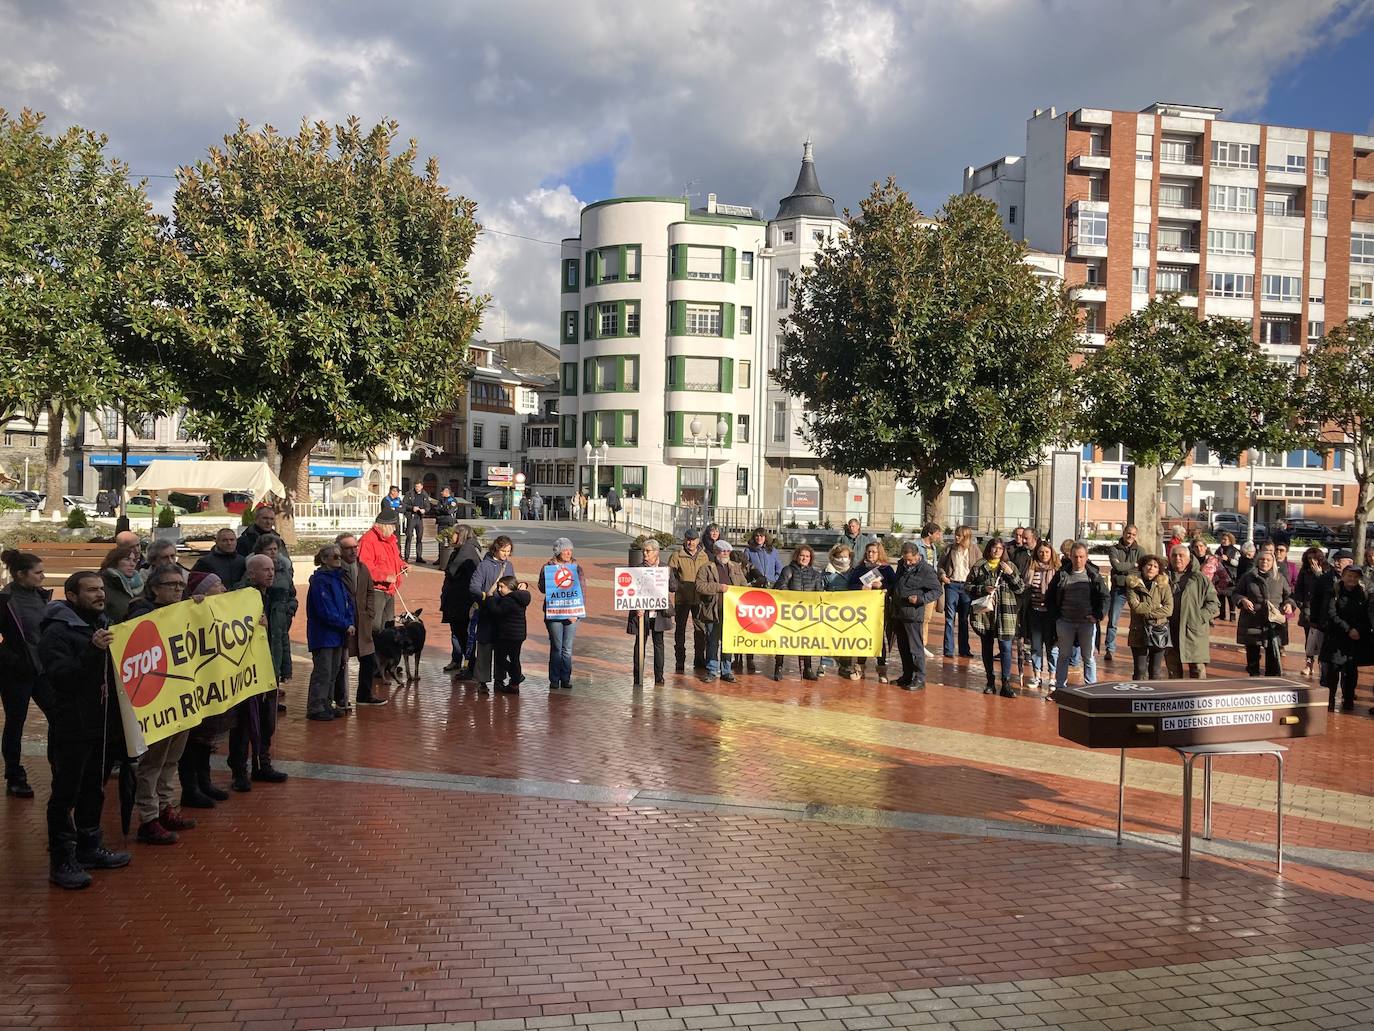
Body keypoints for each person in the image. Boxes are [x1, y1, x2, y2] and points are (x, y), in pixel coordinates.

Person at [37, 571, 132, 889]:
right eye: (91, 590)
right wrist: (92, 651)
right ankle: (62, 859)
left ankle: (90, 848)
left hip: (101, 723)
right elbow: (60, 676)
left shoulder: (100, 622)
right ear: (72, 595)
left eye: (101, 589)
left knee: (95, 787)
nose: (99, 594)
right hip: (71, 725)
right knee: (66, 794)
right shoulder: (58, 630)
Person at [122, 564, 198, 844]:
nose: (179, 589)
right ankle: (148, 818)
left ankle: (167, 807)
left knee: (171, 759)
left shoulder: (183, 610)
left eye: (181, 585)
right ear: (154, 588)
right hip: (156, 702)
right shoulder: (140, 614)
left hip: (181, 697)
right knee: (152, 763)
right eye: (172, 585)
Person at [0, 549, 48, 798]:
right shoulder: (6, 599)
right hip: (16, 671)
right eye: (38, 572)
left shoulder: (40, 595)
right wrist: (12, 658)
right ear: (20, 574)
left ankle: (63, 764)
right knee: (16, 722)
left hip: (42, 668)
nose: (43, 576)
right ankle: (15, 775)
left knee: (59, 714)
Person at [305, 544, 357, 721]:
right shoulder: (320, 581)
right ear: (325, 559)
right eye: (335, 557)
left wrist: (349, 621)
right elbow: (325, 609)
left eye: (339, 556)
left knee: (334, 670)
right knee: (323, 670)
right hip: (324, 634)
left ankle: (327, 702)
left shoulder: (338, 579)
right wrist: (344, 624)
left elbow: (347, 603)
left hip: (338, 634)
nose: (339, 560)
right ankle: (316, 706)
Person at [968, 538, 1026, 696]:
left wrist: (1011, 574)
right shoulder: (979, 566)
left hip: (1006, 612)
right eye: (994, 548)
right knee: (986, 646)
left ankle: (1006, 683)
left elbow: (1021, 588)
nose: (997, 551)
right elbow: (967, 587)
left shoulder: (1010, 566)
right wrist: (982, 588)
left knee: (1006, 648)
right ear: (989, 549)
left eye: (1000, 548)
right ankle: (990, 681)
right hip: (986, 613)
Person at [1050, 543, 1109, 692]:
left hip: (1086, 624)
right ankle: (1060, 688)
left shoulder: (1093, 576)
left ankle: (1091, 689)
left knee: (1088, 657)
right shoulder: (1062, 574)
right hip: (1065, 622)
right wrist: (1056, 617)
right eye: (1075, 556)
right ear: (1070, 557)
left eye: (1081, 557)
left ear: (1086, 557)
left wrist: (1097, 615)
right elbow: (1050, 595)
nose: (1078, 560)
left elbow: (1105, 596)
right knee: (1063, 656)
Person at [336, 534, 386, 706]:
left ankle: (364, 695)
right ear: (340, 550)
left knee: (368, 659)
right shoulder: (337, 570)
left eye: (355, 547)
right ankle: (340, 698)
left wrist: (370, 612)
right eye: (348, 548)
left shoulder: (362, 567)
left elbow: (370, 591)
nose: (353, 551)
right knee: (341, 662)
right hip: (345, 623)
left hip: (363, 621)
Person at [1233, 545, 1296, 677]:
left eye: (1268, 560)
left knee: (1273, 658)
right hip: (1252, 622)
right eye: (1262, 559)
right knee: (1252, 659)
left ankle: (1271, 683)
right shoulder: (1248, 577)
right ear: (1257, 561)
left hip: (1273, 624)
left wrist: (1289, 604)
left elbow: (1289, 596)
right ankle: (1254, 681)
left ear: (1273, 562)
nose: (1265, 562)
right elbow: (1236, 593)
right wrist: (1242, 600)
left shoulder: (1279, 578)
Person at [1164, 544, 1220, 680]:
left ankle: (1198, 700)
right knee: (1173, 672)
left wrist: (1198, 617)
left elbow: (1214, 604)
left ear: (1189, 559)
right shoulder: (1163, 578)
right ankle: (1176, 700)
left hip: (1194, 631)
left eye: (1181, 555)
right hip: (1171, 630)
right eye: (1174, 555)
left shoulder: (1199, 578)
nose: (1177, 558)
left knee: (1197, 670)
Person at [1320, 563, 1371, 712]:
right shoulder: (1333, 592)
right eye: (1349, 575)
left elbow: (1366, 616)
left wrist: (1358, 630)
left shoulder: (1362, 594)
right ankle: (1329, 701)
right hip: (1336, 638)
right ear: (1343, 576)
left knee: (1351, 672)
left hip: (1354, 640)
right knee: (1333, 672)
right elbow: (1331, 614)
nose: (1352, 579)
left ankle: (1348, 700)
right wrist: (1348, 629)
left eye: (1355, 576)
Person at [695, 540, 748, 683]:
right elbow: (700, 586)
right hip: (713, 611)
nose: (725, 554)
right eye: (722, 551)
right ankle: (712, 670)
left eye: (728, 551)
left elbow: (743, 586)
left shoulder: (735, 567)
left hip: (731, 612)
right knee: (712, 641)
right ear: (716, 552)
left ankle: (726, 670)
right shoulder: (706, 568)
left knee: (728, 641)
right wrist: (718, 587)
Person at [890, 541, 940, 690]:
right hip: (899, 612)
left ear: (918, 555)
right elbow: (897, 583)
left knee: (915, 648)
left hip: (913, 614)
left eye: (910, 560)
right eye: (905, 559)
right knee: (903, 647)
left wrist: (920, 599)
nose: (908, 563)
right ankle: (907, 675)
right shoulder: (901, 565)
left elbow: (937, 591)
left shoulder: (926, 570)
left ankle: (919, 678)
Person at [772, 543, 826, 681]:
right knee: (784, 640)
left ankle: (808, 668)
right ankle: (778, 667)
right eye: (802, 555)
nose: (804, 558)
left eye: (807, 556)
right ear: (797, 556)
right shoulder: (787, 570)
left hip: (807, 614)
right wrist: (793, 598)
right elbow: (780, 586)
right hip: (789, 612)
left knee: (806, 641)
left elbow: (819, 593)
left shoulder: (815, 574)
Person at [468, 536, 515, 693]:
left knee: (501, 649)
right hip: (487, 613)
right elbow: (474, 587)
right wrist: (484, 597)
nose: (505, 554)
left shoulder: (509, 566)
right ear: (496, 549)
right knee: (485, 646)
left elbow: (512, 585)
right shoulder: (484, 566)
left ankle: (499, 680)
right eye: (503, 550)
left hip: (502, 614)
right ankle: (482, 681)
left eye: (508, 551)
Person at [538, 537, 584, 691]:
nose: (568, 553)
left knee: (567, 648)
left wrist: (576, 612)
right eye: (565, 550)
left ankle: (565, 678)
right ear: (558, 551)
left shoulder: (576, 567)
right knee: (556, 646)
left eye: (570, 550)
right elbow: (542, 588)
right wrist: (548, 576)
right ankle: (554, 679)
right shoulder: (548, 566)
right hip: (554, 612)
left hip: (572, 613)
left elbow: (581, 591)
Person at [847, 540, 895, 682]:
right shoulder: (860, 568)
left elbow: (895, 586)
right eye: (868, 552)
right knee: (863, 636)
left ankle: (881, 670)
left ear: (879, 553)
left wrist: (883, 585)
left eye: (873, 552)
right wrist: (861, 588)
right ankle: (859, 668)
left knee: (879, 637)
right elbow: (850, 585)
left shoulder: (886, 569)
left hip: (881, 609)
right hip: (863, 609)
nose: (870, 554)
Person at [440, 525, 483, 675]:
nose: (452, 537)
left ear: (462, 535)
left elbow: (452, 571)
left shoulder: (466, 551)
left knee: (463, 633)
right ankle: (460, 661)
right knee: (458, 632)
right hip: (457, 599)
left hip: (462, 600)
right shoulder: (463, 549)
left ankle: (470, 666)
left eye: (455, 534)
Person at [1125, 555, 1173, 681]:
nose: (1151, 568)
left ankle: (1154, 698)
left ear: (1159, 570)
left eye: (1155, 566)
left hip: (1159, 631)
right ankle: (1137, 696)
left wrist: (1147, 612)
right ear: (1143, 567)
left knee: (1155, 671)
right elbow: (1136, 607)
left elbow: (1168, 609)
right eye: (1149, 565)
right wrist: (1157, 606)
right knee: (1140, 670)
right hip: (1139, 630)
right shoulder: (1133, 584)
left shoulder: (1164, 586)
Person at [359, 510, 407, 635]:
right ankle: (374, 653)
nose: (394, 529)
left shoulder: (391, 540)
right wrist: (384, 577)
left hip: (390, 590)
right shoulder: (368, 540)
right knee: (375, 627)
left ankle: (386, 652)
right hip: (376, 591)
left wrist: (403, 566)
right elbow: (365, 567)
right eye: (392, 526)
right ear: (384, 525)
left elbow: (396, 559)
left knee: (389, 626)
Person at [1020, 542, 1059, 694]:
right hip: (1034, 612)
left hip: (1050, 614)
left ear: (1051, 553)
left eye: (1047, 552)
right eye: (1041, 552)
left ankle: (1053, 677)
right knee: (1036, 646)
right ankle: (1037, 676)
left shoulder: (1057, 570)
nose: (1044, 555)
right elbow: (1025, 587)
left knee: (1052, 647)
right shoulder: (1031, 569)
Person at [668, 530, 708, 673]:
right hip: (682, 599)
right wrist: (676, 586)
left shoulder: (704, 556)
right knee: (680, 630)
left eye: (693, 540)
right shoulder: (677, 555)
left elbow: (708, 575)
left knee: (700, 630)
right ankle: (680, 660)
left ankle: (699, 658)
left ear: (698, 541)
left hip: (699, 599)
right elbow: (670, 575)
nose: (691, 543)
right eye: (688, 540)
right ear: (685, 540)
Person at [484, 575, 531, 694]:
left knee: (500, 659)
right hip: (518, 635)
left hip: (507, 635)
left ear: (509, 587)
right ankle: (515, 685)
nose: (499, 590)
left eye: (501, 587)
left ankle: (516, 676)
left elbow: (497, 611)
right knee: (515, 658)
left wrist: (489, 598)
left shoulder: (509, 599)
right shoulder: (520, 597)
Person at [1103, 525, 1141, 663]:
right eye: (1128, 533)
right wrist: (1133, 565)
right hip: (1118, 589)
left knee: (1138, 620)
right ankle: (1110, 649)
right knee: (1113, 620)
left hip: (1134, 589)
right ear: (1124, 533)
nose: (1130, 536)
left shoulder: (1140, 550)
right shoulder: (1114, 549)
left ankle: (1140, 648)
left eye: (1133, 534)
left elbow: (1141, 570)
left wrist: (1127, 567)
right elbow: (1116, 566)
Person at [938, 526, 976, 659]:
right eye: (956, 535)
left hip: (966, 587)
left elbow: (980, 566)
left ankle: (964, 649)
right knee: (949, 618)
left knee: (964, 619)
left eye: (959, 535)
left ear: (966, 536)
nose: (956, 538)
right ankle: (948, 649)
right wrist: (943, 576)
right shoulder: (949, 548)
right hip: (952, 585)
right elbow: (941, 565)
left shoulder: (974, 549)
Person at [1294, 547, 1330, 678]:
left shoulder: (1327, 570)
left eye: (1314, 558)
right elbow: (1298, 589)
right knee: (1309, 639)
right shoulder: (1304, 571)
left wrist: (1318, 574)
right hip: (1308, 611)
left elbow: (1328, 588)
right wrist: (1301, 604)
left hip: (1323, 612)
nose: (1311, 561)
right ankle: (1309, 664)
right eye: (1309, 558)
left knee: (1323, 640)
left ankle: (1322, 665)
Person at [822, 543, 854, 677]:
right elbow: (821, 589)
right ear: (834, 557)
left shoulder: (854, 572)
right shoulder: (827, 572)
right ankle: (824, 664)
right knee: (828, 637)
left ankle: (845, 665)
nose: (843, 560)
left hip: (849, 612)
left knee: (846, 638)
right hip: (831, 612)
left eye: (845, 557)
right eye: (840, 557)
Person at [916, 523, 944, 659]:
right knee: (918, 617)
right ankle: (917, 644)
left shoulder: (933, 548)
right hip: (918, 586)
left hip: (930, 586)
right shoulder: (916, 545)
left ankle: (923, 644)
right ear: (929, 533)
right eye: (937, 533)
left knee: (927, 617)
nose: (939, 537)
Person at [99, 544, 143, 624]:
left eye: (134, 560)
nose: (132, 564)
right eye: (127, 559)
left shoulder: (140, 585)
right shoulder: (102, 584)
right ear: (114, 561)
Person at [402, 483, 433, 564]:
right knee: (409, 537)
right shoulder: (409, 493)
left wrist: (425, 510)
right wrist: (412, 508)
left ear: (422, 486)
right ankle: (406, 557)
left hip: (419, 518)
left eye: (419, 487)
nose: (417, 488)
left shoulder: (425, 494)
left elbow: (428, 506)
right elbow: (404, 504)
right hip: (411, 517)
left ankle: (419, 557)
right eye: (416, 486)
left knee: (419, 538)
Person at [1215, 531, 1241, 621]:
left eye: (1225, 539)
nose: (1223, 541)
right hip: (1220, 577)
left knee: (1230, 596)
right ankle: (1222, 614)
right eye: (1222, 539)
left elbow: (1238, 563)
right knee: (1220, 595)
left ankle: (1232, 614)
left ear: (1230, 540)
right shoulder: (1219, 550)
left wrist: (1228, 559)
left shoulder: (1235, 551)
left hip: (1231, 576)